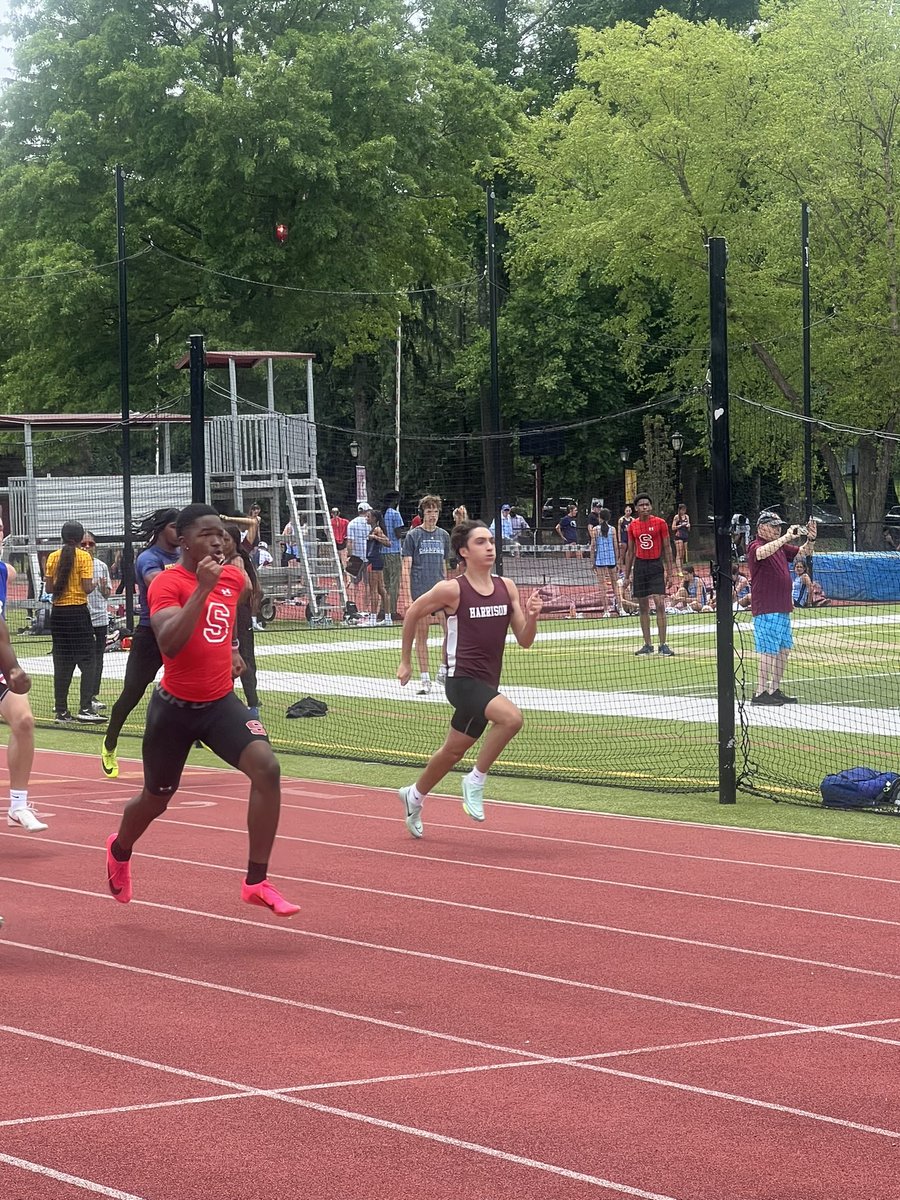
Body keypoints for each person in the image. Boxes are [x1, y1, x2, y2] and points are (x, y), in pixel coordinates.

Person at [104, 504, 299, 917]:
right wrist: (202, 590)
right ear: (183, 538)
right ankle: (120, 850)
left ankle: (256, 881)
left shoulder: (232, 577)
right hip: (174, 710)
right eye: (208, 533)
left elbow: (227, 612)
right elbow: (170, 643)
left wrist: (227, 648)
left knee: (268, 768)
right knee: (156, 800)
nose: (219, 540)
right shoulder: (166, 583)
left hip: (218, 703)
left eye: (224, 534)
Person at [396, 520, 542, 836]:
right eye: (480, 542)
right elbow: (411, 613)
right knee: (512, 719)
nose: (489, 546)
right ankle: (475, 780)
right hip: (461, 682)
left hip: (488, 684)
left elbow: (525, 640)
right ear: (464, 551)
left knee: (452, 751)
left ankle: (414, 795)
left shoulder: (507, 587)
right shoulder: (452, 589)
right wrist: (405, 661)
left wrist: (532, 617)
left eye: (491, 541)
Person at [100, 509, 180, 779]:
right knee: (132, 693)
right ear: (160, 529)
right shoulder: (149, 558)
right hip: (150, 634)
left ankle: (193, 737)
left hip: (180, 631)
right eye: (174, 527)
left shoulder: (184, 556)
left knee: (187, 690)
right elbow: (155, 582)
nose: (179, 532)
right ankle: (110, 744)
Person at [747, 510, 817, 705]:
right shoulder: (755, 546)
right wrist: (787, 536)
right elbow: (761, 553)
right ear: (761, 528)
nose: (777, 530)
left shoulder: (779, 547)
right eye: (773, 526)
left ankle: (774, 688)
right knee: (768, 649)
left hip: (782, 606)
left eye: (779, 527)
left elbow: (804, 553)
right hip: (767, 607)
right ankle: (760, 692)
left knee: (783, 649)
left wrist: (810, 539)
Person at [0, 518, 43, 833]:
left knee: (24, 721)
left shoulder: (3, 573)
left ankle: (17, 805)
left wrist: (12, 667)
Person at [44, 521, 104, 723]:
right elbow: (87, 588)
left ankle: (61, 711)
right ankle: (85, 708)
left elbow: (49, 589)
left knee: (61, 661)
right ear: (80, 539)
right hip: (78, 613)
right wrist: (95, 583)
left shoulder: (53, 557)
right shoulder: (84, 557)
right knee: (88, 660)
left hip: (58, 615)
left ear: (62, 537)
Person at [401, 494, 450, 693]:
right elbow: (406, 567)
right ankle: (425, 679)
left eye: (435, 511)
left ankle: (443, 670)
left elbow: (444, 566)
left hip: (440, 592)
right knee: (422, 635)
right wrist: (407, 596)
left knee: (450, 631)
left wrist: (448, 586)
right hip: (421, 592)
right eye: (429, 511)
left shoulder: (443, 536)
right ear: (423, 513)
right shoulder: (413, 536)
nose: (432, 515)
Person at [623, 493, 676, 655]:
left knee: (660, 603)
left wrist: (670, 572)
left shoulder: (660, 523)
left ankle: (663, 644)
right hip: (640, 566)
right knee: (643, 606)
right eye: (641, 505)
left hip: (655, 564)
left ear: (651, 507)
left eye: (647, 504)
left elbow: (667, 548)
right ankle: (647, 644)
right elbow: (630, 551)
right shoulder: (633, 526)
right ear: (636, 509)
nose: (644, 507)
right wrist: (626, 575)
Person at [224, 523, 262, 717]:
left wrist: (233, 605)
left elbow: (249, 586)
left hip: (238, 614)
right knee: (231, 658)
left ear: (234, 541)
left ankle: (253, 705)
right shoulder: (227, 558)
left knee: (243, 657)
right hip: (233, 614)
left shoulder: (236, 560)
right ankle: (229, 700)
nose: (222, 543)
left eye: (226, 540)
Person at [81, 531, 111, 714]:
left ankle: (92, 696)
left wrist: (101, 588)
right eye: (83, 544)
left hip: (100, 619)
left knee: (98, 659)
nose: (86, 547)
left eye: (90, 544)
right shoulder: (74, 564)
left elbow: (107, 593)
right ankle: (68, 700)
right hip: (81, 619)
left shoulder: (101, 566)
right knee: (80, 659)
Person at [590, 507, 619, 616]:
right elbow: (616, 546)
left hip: (600, 560)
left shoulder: (595, 530)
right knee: (615, 585)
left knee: (602, 586)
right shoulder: (613, 529)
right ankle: (620, 608)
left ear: (600, 518)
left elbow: (593, 547)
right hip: (611, 559)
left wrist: (592, 562)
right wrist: (617, 561)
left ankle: (606, 611)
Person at [382, 491, 406, 621]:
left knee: (384, 583)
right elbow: (398, 534)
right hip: (394, 550)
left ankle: (383, 609)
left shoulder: (381, 513)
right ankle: (392, 611)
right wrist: (408, 532)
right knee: (394, 583)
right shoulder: (395, 514)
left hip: (382, 551)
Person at [345, 502, 372, 608]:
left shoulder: (352, 523)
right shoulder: (370, 523)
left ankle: (352, 606)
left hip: (356, 556)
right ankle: (367, 608)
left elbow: (350, 542)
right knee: (368, 584)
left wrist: (349, 555)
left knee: (353, 583)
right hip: (368, 556)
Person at [366, 508, 391, 624]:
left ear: (374, 518)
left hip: (374, 561)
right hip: (375, 560)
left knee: (374, 590)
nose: (366, 518)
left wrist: (375, 537)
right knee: (381, 589)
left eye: (368, 516)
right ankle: (387, 618)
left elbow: (388, 543)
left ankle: (372, 619)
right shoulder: (373, 529)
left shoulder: (377, 529)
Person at [671, 503, 691, 573]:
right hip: (678, 536)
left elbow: (689, 529)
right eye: (682, 510)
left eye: (684, 510)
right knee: (679, 553)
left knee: (683, 553)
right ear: (679, 510)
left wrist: (688, 526)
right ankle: (679, 571)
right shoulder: (676, 517)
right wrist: (679, 526)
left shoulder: (687, 517)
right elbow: (673, 528)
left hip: (685, 535)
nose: (683, 511)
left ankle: (681, 569)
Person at [617, 503, 634, 569]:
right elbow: (619, 531)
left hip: (630, 538)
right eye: (627, 511)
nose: (628, 512)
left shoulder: (633, 520)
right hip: (623, 538)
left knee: (630, 553)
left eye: (629, 510)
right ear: (624, 511)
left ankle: (629, 566)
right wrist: (619, 541)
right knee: (622, 554)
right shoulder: (621, 520)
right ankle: (620, 567)